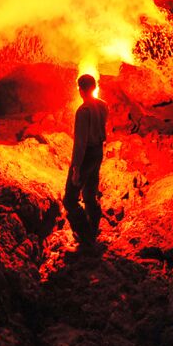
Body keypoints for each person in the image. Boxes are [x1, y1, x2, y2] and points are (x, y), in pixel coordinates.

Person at [63, 73, 108, 246]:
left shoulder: (83, 111)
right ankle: (94, 227)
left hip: (87, 153)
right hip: (98, 151)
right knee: (90, 193)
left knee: (70, 199)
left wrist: (76, 168)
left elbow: (80, 142)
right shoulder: (103, 106)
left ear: (80, 90)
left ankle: (85, 234)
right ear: (95, 87)